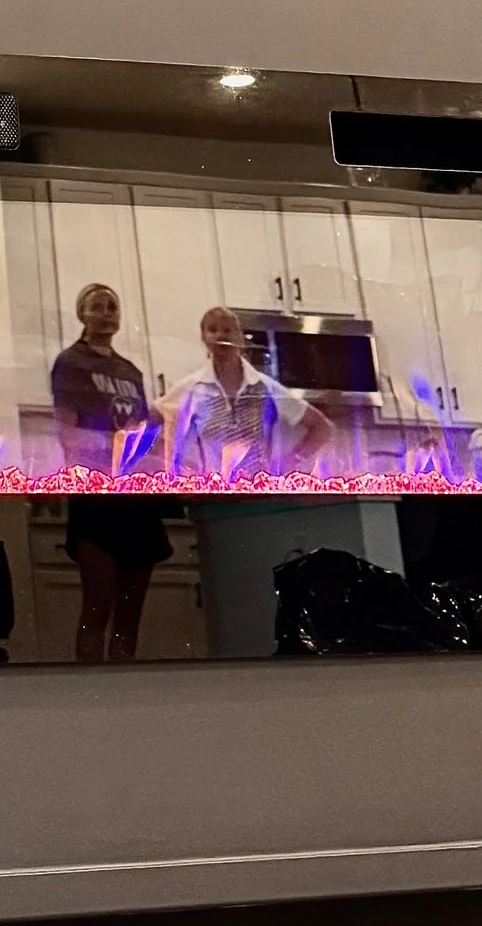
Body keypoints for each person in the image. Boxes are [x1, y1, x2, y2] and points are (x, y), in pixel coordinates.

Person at [49, 282, 172, 662]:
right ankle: (90, 690)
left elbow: (140, 434)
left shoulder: (130, 371)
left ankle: (124, 691)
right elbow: (67, 431)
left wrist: (156, 435)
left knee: (130, 614)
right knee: (97, 605)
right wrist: (106, 449)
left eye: (112, 307)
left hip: (136, 497)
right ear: (82, 314)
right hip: (96, 496)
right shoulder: (71, 363)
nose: (106, 313)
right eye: (98, 307)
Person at [172, 304, 335, 482]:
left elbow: (323, 428)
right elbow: (154, 428)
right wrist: (184, 467)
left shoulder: (265, 388)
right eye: (213, 329)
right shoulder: (191, 389)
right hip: (213, 497)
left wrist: (291, 460)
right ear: (203, 337)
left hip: (260, 493)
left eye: (227, 330)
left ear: (239, 337)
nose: (220, 336)